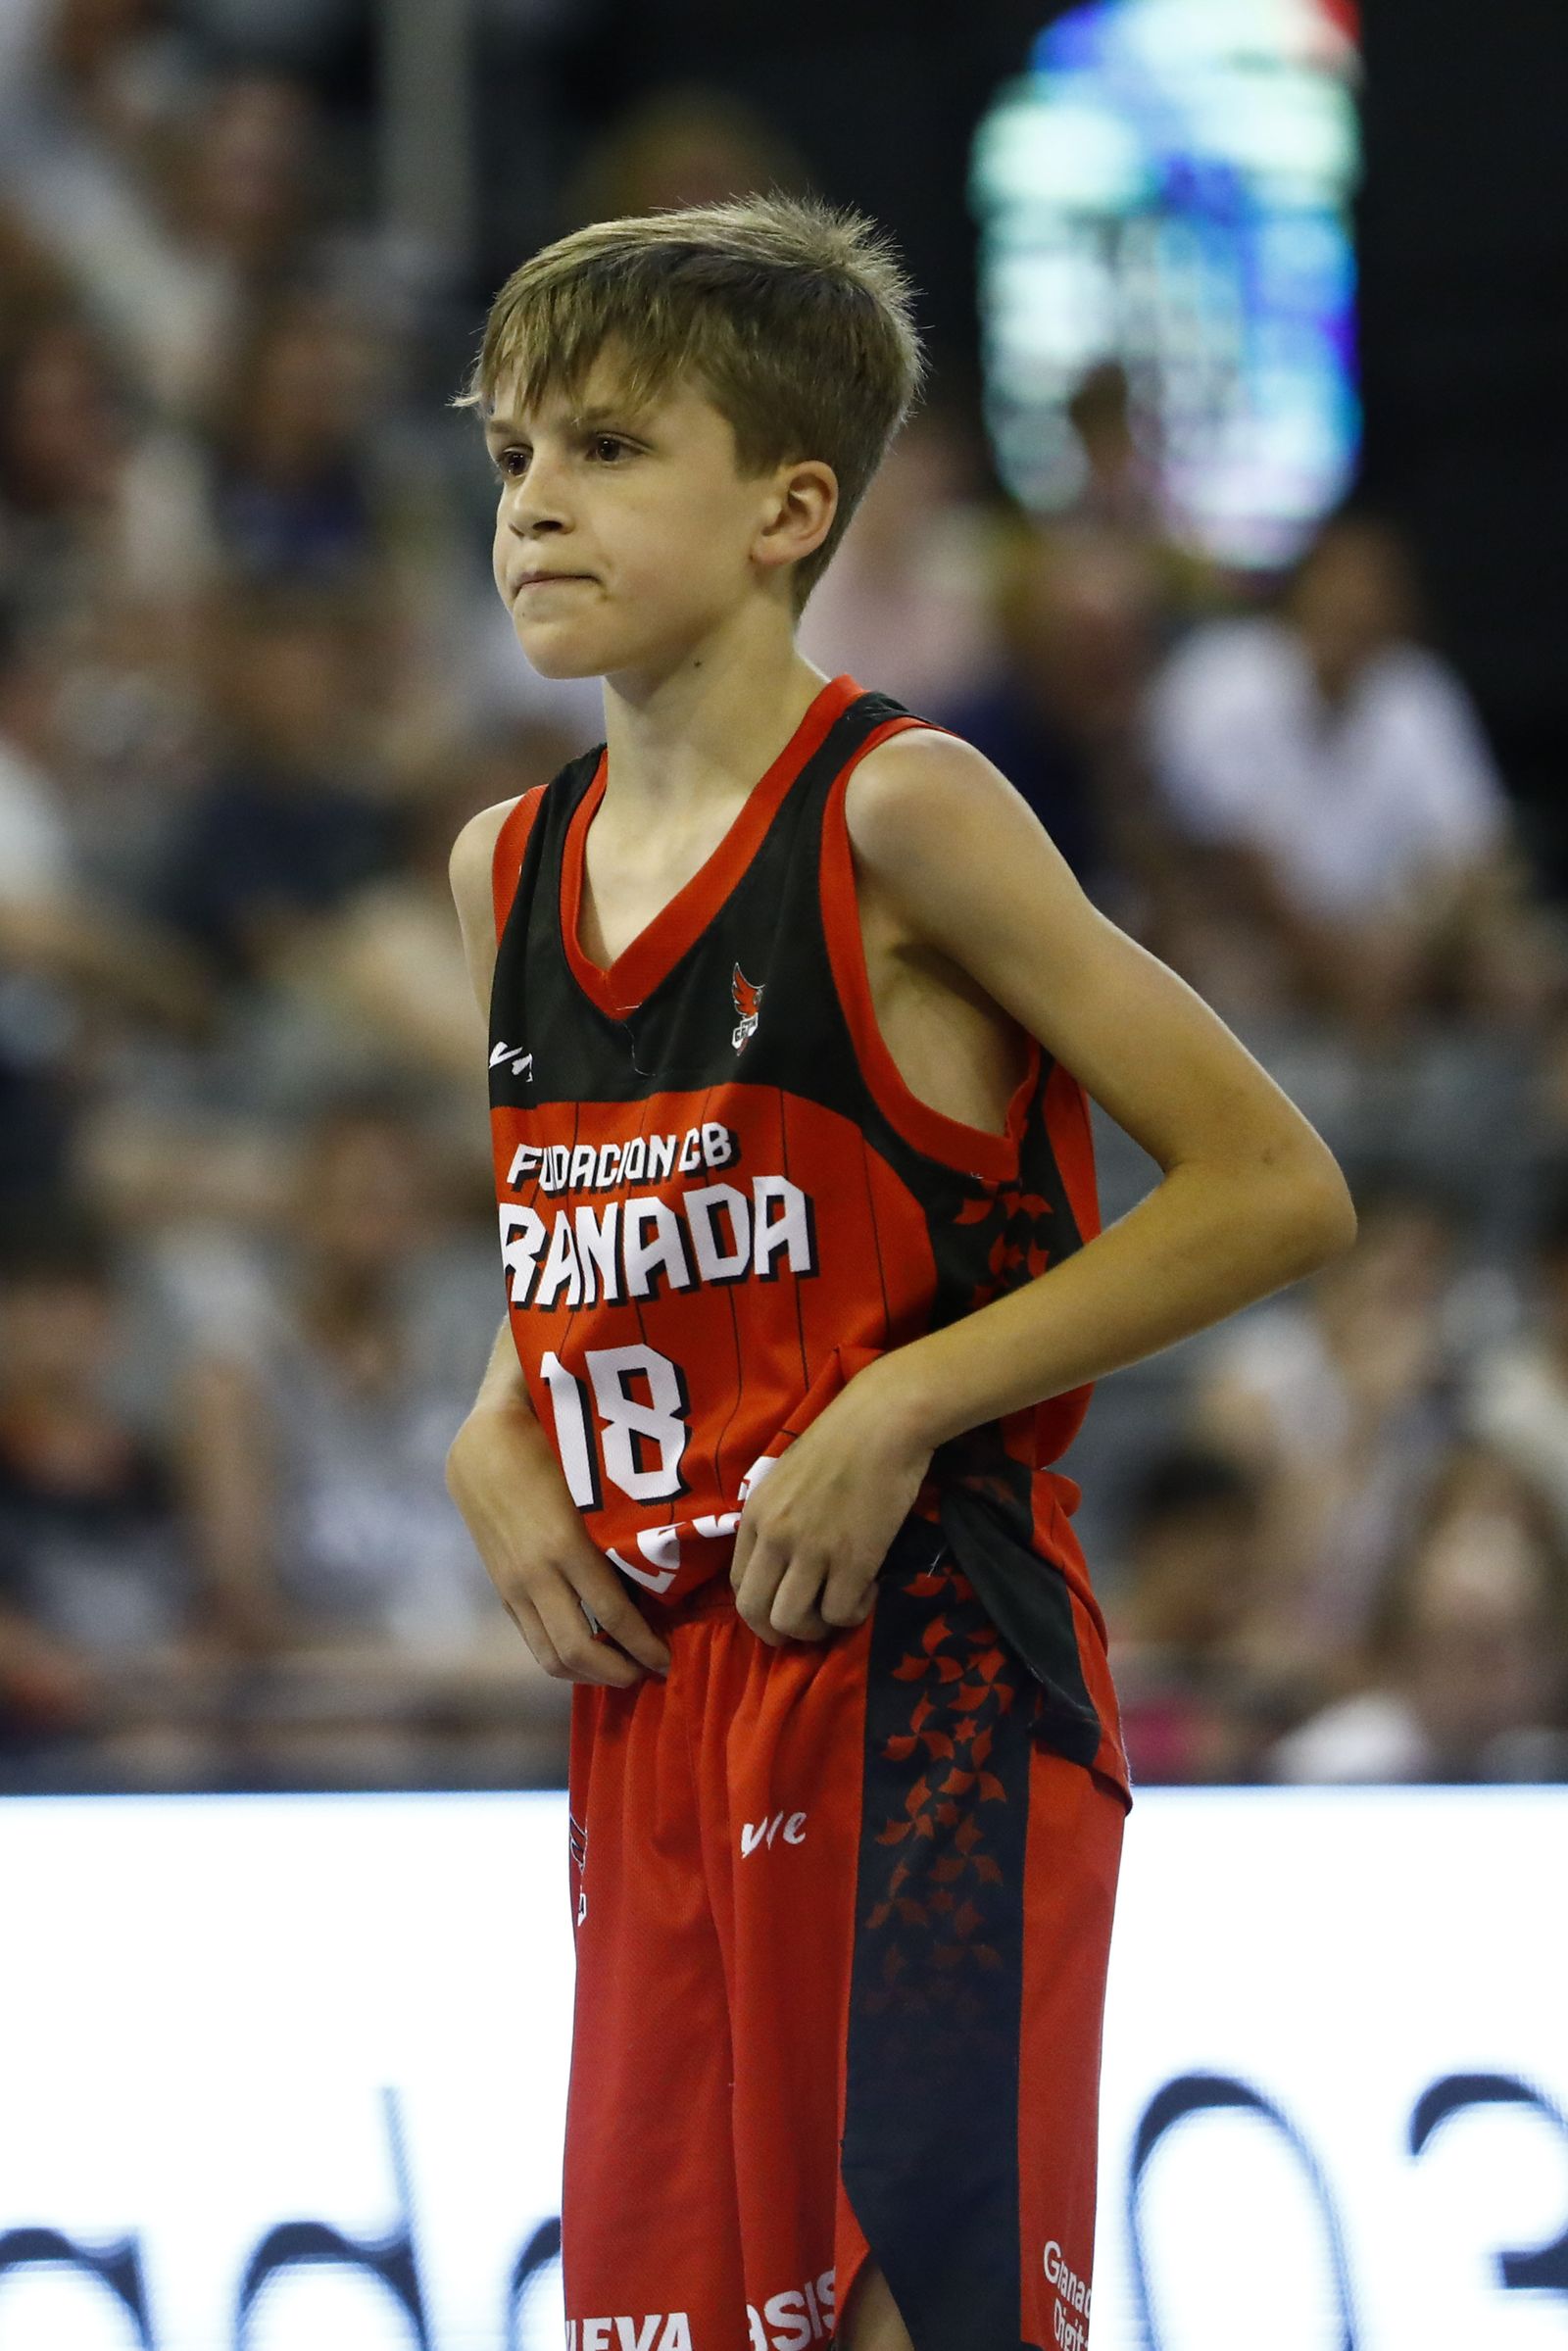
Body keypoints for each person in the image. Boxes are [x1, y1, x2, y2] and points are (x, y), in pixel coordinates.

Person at [441, 193, 1355, 2351]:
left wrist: (903, 1398)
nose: (533, 506)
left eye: (600, 449)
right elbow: (602, 1216)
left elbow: (1268, 1181)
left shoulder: (900, 810)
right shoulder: (507, 861)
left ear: (788, 507)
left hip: (921, 1671)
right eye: (507, 458)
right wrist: (494, 1416)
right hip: (657, 1700)